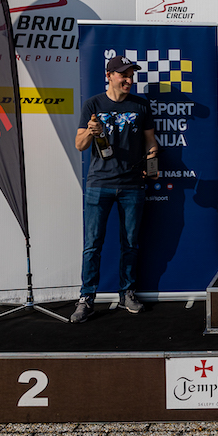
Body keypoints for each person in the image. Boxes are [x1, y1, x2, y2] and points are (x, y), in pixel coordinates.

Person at [71, 55, 159, 323]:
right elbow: (79, 145)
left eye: (131, 75)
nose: (129, 80)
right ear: (109, 76)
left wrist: (152, 165)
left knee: (130, 244)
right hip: (99, 184)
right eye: (123, 75)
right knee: (92, 245)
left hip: (132, 185)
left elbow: (150, 141)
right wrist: (91, 130)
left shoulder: (141, 105)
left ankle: (127, 293)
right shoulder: (93, 105)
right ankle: (86, 298)